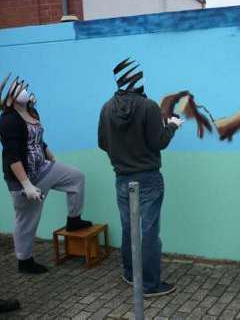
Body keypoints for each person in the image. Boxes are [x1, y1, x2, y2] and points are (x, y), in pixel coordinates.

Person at [98, 58, 183, 297]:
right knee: (149, 232)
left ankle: (129, 272)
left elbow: (103, 143)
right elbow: (159, 142)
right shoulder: (148, 107)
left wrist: (123, 154)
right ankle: (149, 285)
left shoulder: (106, 107)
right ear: (136, 80)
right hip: (147, 179)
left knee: (128, 228)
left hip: (122, 178)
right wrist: (173, 125)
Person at [0, 74, 92, 274]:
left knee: (76, 177)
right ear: (11, 96)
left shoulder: (32, 112)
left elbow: (39, 141)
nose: (24, 90)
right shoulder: (8, 120)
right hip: (23, 178)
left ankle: (74, 220)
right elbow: (12, 157)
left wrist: (53, 160)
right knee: (27, 220)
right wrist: (26, 185)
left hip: (43, 168)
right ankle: (24, 261)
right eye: (19, 87)